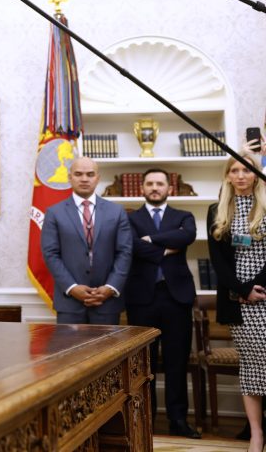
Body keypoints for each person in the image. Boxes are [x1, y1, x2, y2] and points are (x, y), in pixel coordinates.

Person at [125, 168, 200, 439]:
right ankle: (144, 419)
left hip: (176, 297)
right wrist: (167, 247)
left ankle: (178, 420)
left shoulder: (184, 217)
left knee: (176, 361)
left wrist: (152, 241)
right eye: (150, 183)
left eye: (160, 183)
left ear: (170, 188)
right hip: (141, 299)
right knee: (143, 365)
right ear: (141, 188)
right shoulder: (130, 219)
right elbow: (132, 246)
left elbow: (187, 236)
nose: (155, 187)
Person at [208, 153, 266, 452]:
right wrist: (243, 289)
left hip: (265, 293)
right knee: (253, 364)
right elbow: (218, 261)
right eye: (234, 170)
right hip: (238, 300)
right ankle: (256, 434)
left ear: (256, 174)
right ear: (228, 176)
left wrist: (259, 286)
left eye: (246, 170)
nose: (240, 175)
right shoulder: (216, 210)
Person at [41, 156, 132, 324]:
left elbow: (124, 253)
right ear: (70, 178)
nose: (84, 179)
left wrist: (109, 288)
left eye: (90, 174)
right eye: (78, 174)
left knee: (108, 351)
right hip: (69, 302)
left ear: (97, 178)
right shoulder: (54, 213)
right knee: (71, 350)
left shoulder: (117, 212)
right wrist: (72, 288)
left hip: (107, 302)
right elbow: (50, 254)